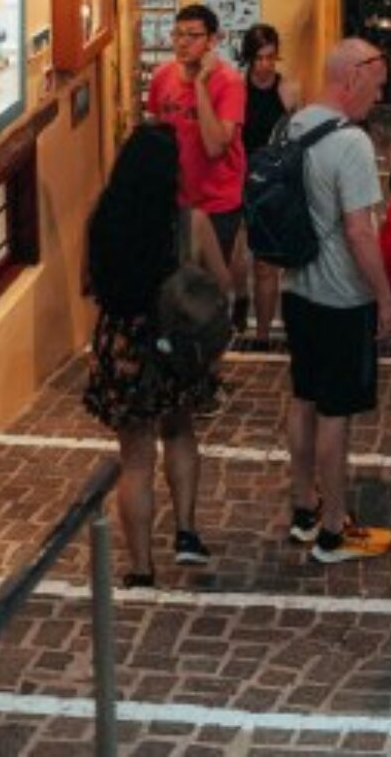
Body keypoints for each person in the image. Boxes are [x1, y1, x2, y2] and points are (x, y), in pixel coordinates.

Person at [83, 125, 233, 589]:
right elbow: (223, 284)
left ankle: (142, 566)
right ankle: (186, 532)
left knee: (134, 458)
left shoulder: (101, 220)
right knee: (180, 431)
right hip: (175, 345)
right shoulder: (190, 224)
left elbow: (87, 283)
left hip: (122, 345)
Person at [282, 39, 391, 564]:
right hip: (341, 297)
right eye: (377, 84)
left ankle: (303, 507)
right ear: (352, 76)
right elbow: (359, 231)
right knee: (336, 412)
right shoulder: (351, 143)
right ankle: (333, 530)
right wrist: (384, 296)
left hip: (297, 288)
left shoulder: (294, 126)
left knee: (303, 396)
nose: (380, 95)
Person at [148, 3, 248, 314]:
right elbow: (155, 135)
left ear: (212, 41)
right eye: (177, 34)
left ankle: (216, 333)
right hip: (176, 199)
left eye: (192, 35)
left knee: (210, 288)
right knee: (177, 282)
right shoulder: (162, 76)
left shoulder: (229, 82)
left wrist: (200, 85)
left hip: (217, 201)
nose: (182, 42)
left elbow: (215, 145)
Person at [240, 23, 298, 343]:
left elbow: (296, 138)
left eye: (270, 58)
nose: (264, 65)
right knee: (235, 259)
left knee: (266, 263)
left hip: (273, 184)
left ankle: (262, 335)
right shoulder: (237, 89)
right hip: (240, 179)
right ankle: (239, 311)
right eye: (259, 58)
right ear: (249, 58)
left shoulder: (287, 90)